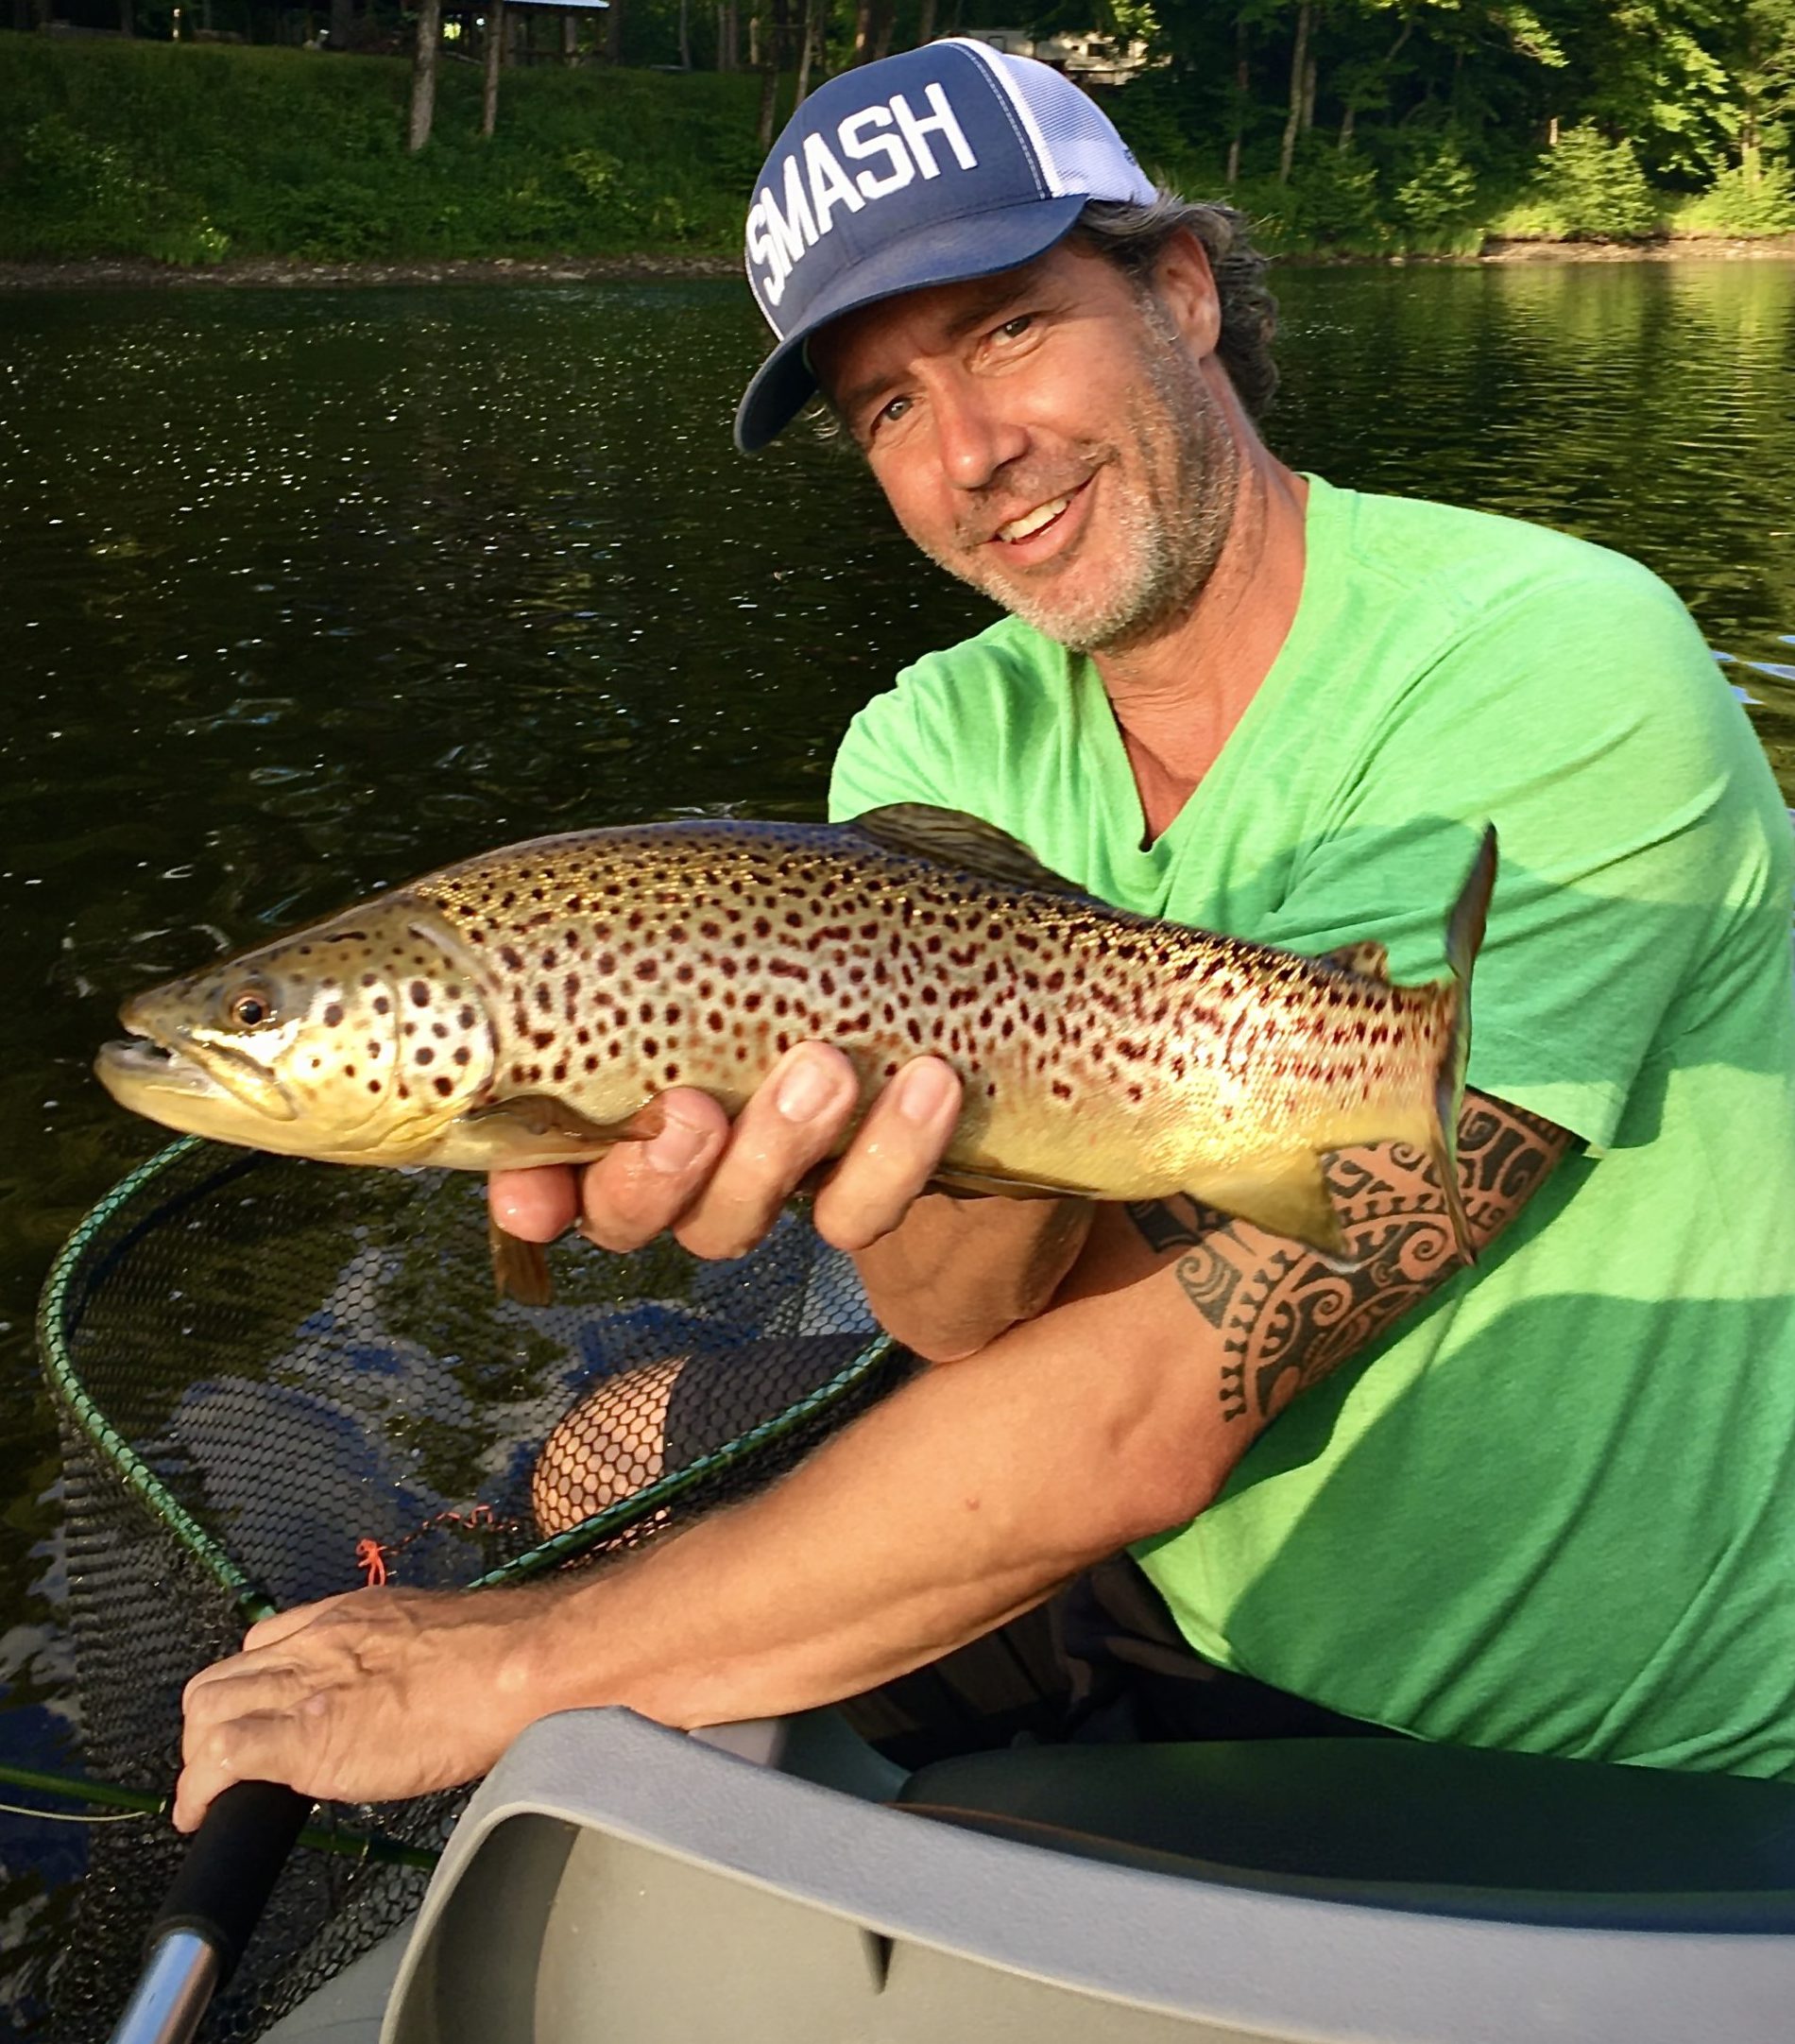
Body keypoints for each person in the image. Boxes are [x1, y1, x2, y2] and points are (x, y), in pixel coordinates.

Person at [175, 41, 1795, 1829]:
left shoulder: (1554, 657)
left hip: (1625, 1760)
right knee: (599, 1450)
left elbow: (1147, 1406)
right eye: (885, 406)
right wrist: (918, 1145)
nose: (971, 453)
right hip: (1185, 1610)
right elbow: (961, 1330)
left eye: (1012, 328)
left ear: (1181, 293)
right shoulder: (931, 753)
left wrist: (520, 1662)